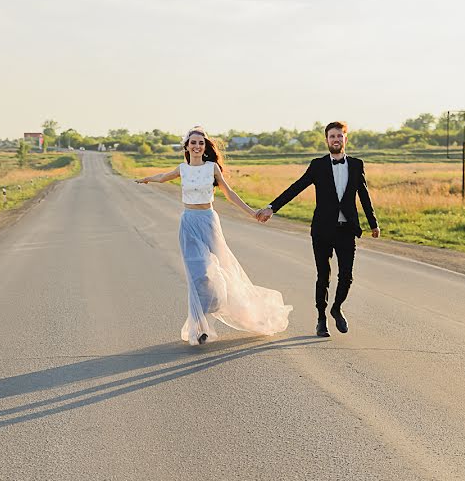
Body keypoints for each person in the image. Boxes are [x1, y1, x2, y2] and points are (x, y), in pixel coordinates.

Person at [135, 126, 292, 345]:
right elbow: (163, 177)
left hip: (208, 222)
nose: (197, 146)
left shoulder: (212, 168)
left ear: (205, 147)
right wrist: (147, 179)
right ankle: (198, 328)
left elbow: (229, 194)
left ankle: (230, 306)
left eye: (201, 143)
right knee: (197, 275)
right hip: (188, 222)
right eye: (193, 143)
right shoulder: (182, 168)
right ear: (187, 147)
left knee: (221, 270)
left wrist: (252, 213)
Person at [255, 121, 379, 338]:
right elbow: (296, 187)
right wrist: (272, 207)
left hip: (347, 230)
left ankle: (336, 307)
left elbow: (364, 195)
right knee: (324, 275)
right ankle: (321, 319)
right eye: (332, 136)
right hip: (322, 230)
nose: (336, 140)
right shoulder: (318, 165)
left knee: (347, 276)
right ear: (326, 140)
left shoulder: (357, 165)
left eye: (339, 136)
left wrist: (373, 223)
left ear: (345, 139)